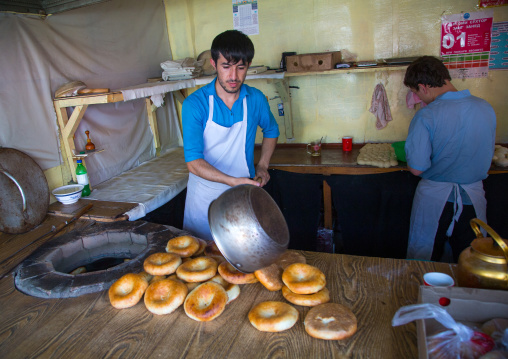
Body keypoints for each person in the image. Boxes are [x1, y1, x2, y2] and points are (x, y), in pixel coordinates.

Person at [181, 30, 280, 241]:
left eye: (241, 67)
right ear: (214, 64)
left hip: (241, 196)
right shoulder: (195, 104)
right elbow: (193, 162)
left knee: (240, 260)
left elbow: (271, 130)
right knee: (201, 260)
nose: (233, 76)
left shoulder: (255, 99)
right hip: (204, 199)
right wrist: (231, 180)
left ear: (248, 66)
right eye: (226, 66)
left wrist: (263, 165)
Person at [403, 56, 496, 262]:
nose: (418, 97)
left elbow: (417, 168)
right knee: (472, 260)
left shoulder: (426, 116)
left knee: (425, 259)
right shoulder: (485, 108)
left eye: (416, 92)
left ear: (423, 87)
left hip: (436, 200)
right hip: (473, 198)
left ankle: (426, 294)